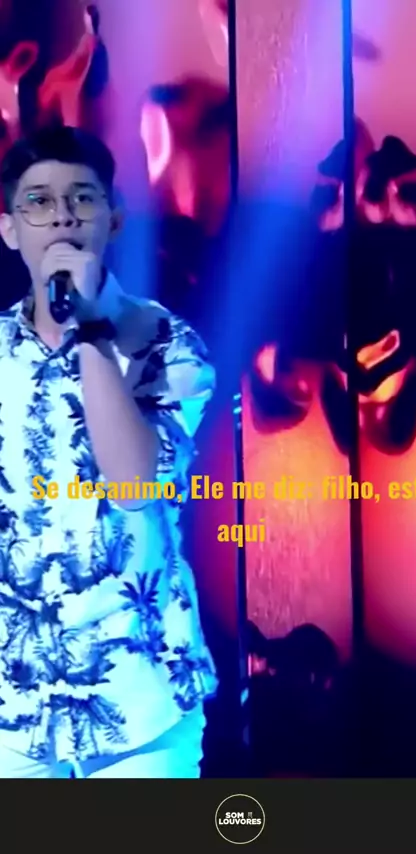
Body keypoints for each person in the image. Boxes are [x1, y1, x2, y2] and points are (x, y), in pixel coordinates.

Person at [0, 124, 217, 778]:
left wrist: (90, 328)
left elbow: (134, 486)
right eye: (39, 201)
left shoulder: (164, 342)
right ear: (9, 229)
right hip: (14, 704)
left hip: (140, 697)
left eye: (82, 198)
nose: (63, 215)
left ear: (114, 219)